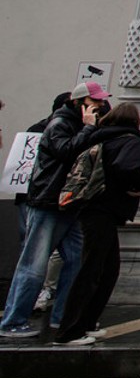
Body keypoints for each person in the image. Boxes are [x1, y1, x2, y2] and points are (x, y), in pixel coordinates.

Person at [1, 80, 107, 339]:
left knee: (76, 261)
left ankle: (64, 317)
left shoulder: (74, 125)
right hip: (48, 202)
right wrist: (88, 128)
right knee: (33, 264)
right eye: (95, 102)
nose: (100, 106)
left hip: (68, 203)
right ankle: (13, 321)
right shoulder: (59, 124)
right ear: (79, 103)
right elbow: (67, 151)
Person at [51, 102, 140, 345]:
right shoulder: (131, 140)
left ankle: (86, 323)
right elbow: (126, 168)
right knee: (92, 270)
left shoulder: (99, 137)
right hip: (104, 209)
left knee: (106, 268)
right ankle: (70, 331)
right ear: (135, 121)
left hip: (92, 207)